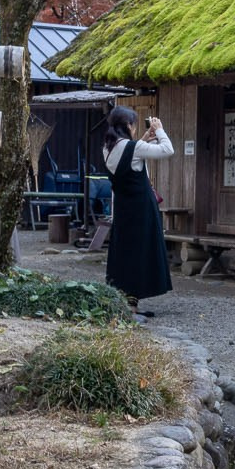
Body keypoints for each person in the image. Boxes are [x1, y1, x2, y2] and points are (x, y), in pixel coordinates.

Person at [102, 105, 174, 316]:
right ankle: (133, 303)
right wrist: (159, 129)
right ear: (128, 125)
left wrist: (142, 139)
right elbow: (168, 150)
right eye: (133, 124)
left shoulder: (107, 147)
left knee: (125, 252)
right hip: (142, 208)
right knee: (142, 252)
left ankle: (127, 302)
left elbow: (128, 153)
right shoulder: (134, 148)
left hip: (123, 208)